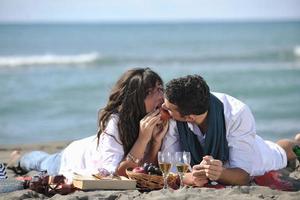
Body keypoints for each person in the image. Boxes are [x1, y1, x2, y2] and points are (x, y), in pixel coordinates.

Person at [12, 67, 168, 180]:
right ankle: (18, 158)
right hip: (72, 159)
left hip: (90, 148)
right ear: (135, 99)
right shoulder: (116, 122)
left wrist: (155, 142)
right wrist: (142, 139)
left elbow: (144, 170)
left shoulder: (160, 123)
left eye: (160, 89)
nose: (160, 96)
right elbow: (117, 174)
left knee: (43, 160)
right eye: (149, 92)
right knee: (40, 162)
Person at [161, 74, 300, 186]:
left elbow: (243, 176)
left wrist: (219, 173)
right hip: (235, 148)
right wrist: (191, 178)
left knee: (280, 152)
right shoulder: (175, 116)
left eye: (168, 108)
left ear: (189, 117)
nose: (162, 107)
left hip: (255, 155)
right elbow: (170, 168)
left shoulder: (237, 114)